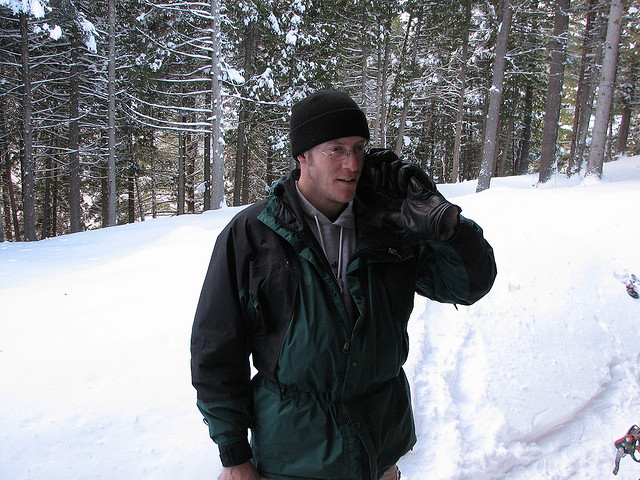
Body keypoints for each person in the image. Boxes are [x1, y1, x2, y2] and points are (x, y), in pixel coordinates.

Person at [191, 90, 497, 480]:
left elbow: (467, 286)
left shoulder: (389, 224)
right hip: (293, 458)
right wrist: (234, 454)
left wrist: (445, 224)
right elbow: (216, 348)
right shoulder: (253, 234)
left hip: (378, 451)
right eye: (336, 149)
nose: (352, 164)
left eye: (359, 148)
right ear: (302, 155)